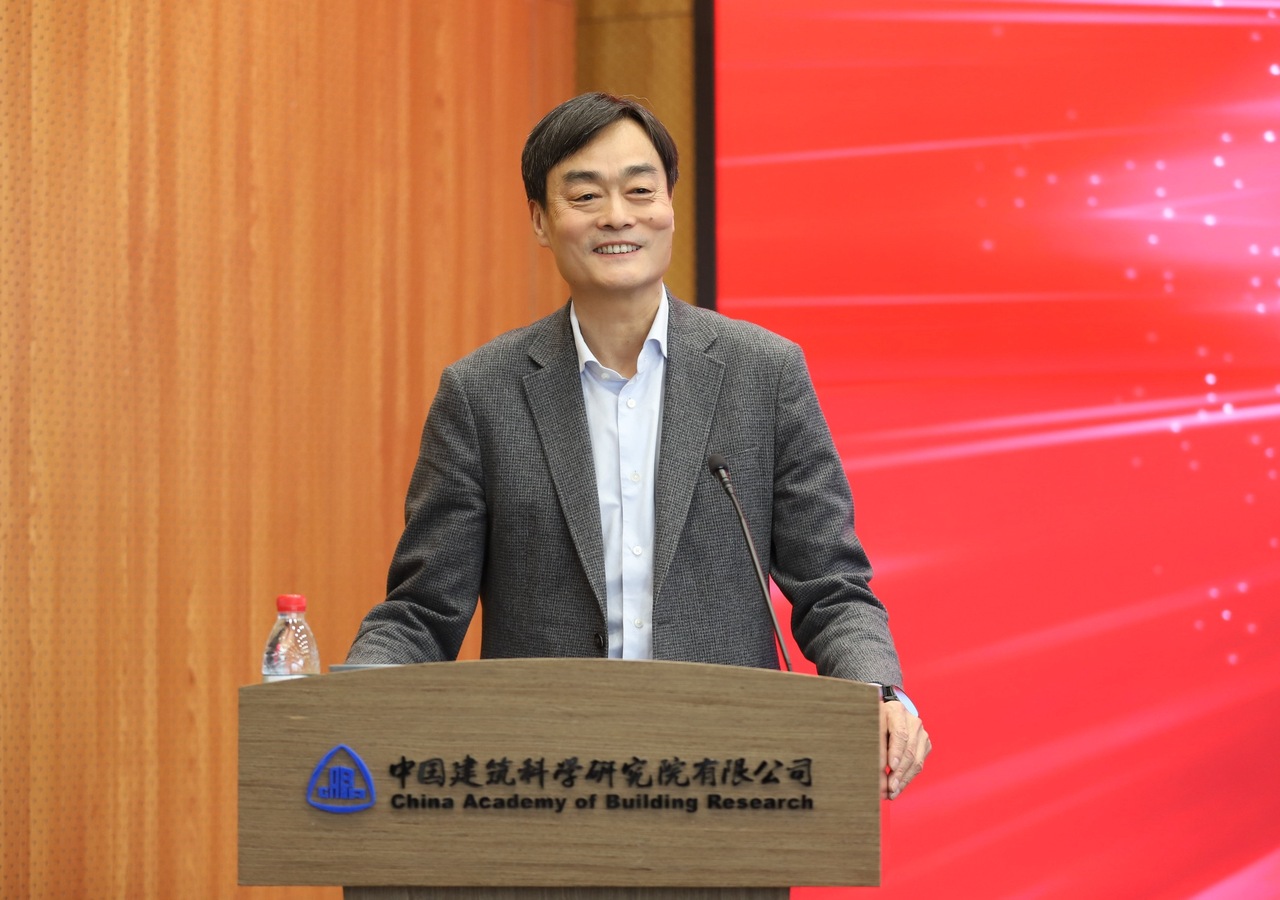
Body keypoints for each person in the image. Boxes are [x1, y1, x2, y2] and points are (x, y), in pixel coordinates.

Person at [347, 92, 930, 800]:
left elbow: (831, 586)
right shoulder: (481, 393)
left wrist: (877, 691)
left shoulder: (764, 373)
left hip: (729, 782)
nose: (617, 216)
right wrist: (344, 701)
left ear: (670, 207)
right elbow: (423, 610)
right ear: (541, 220)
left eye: (640, 190)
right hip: (542, 787)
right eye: (585, 195)